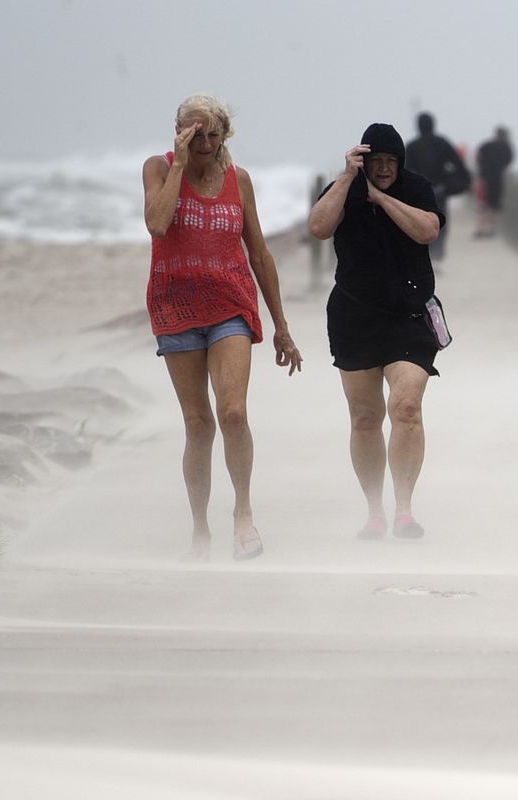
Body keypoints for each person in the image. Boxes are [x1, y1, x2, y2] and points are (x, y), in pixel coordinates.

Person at [142, 94, 303, 562]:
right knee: (198, 424)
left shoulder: (240, 180)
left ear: (225, 134)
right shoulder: (157, 168)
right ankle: (199, 529)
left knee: (233, 413)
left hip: (231, 305)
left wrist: (282, 327)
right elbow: (157, 223)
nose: (205, 144)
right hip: (175, 308)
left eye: (213, 134)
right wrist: (177, 165)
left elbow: (259, 254)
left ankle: (244, 514)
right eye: (195, 135)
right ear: (179, 132)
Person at [308, 123, 443, 540]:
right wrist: (349, 178)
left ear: (400, 163)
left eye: (390, 161)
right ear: (363, 160)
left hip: (408, 316)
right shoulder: (342, 188)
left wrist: (381, 198)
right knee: (366, 417)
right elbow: (318, 227)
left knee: (406, 408)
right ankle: (374, 510)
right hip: (355, 316)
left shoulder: (416, 188)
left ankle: (404, 508)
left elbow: (427, 230)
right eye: (376, 161)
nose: (384, 168)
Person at [404, 112, 470, 265]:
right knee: (440, 222)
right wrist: (451, 178)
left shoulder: (413, 146)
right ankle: (437, 257)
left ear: (418, 126)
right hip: (440, 190)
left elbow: (405, 170)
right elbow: (459, 164)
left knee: (419, 222)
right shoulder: (442, 143)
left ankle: (424, 255)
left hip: (419, 191)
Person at [474, 126, 515, 238]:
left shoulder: (486, 145)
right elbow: (509, 161)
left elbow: (478, 157)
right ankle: (491, 230)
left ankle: (481, 229)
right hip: (497, 179)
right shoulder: (507, 147)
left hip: (484, 178)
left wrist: (483, 166)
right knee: (494, 206)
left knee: (482, 205)